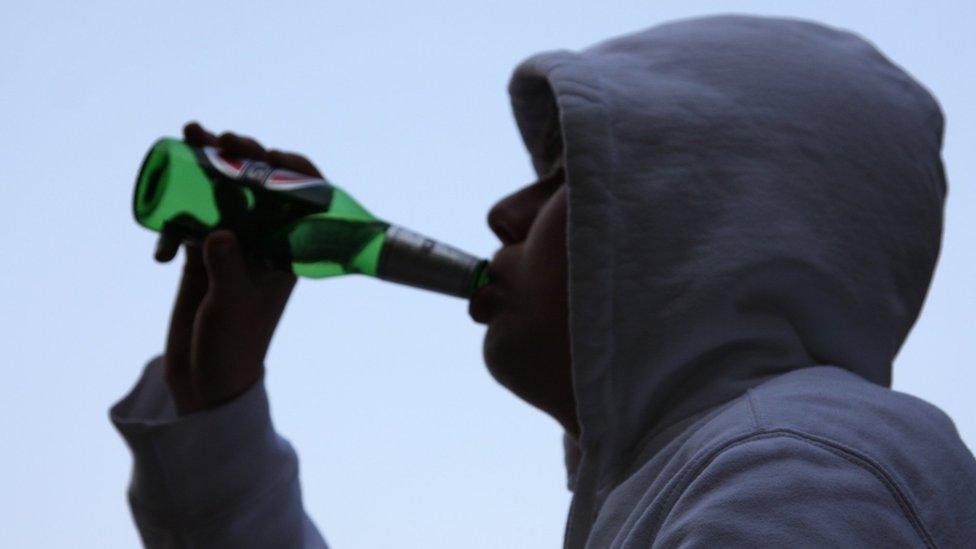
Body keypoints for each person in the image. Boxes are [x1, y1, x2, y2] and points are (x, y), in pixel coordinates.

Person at [110, 14, 976, 548]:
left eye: (564, 174)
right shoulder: (696, 474)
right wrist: (214, 404)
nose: (502, 212)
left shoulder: (800, 462)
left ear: (701, 207)